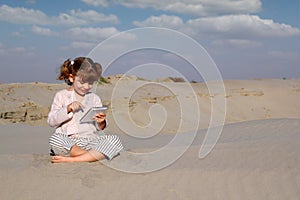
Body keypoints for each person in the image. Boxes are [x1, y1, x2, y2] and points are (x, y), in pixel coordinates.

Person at [48, 57, 123, 163]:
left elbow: (99, 128)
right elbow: (51, 121)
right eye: (82, 82)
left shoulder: (94, 98)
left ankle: (74, 159)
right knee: (55, 139)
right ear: (71, 78)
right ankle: (94, 155)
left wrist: (101, 122)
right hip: (71, 142)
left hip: (91, 140)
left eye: (90, 83)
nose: (86, 87)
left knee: (114, 140)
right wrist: (67, 109)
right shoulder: (61, 96)